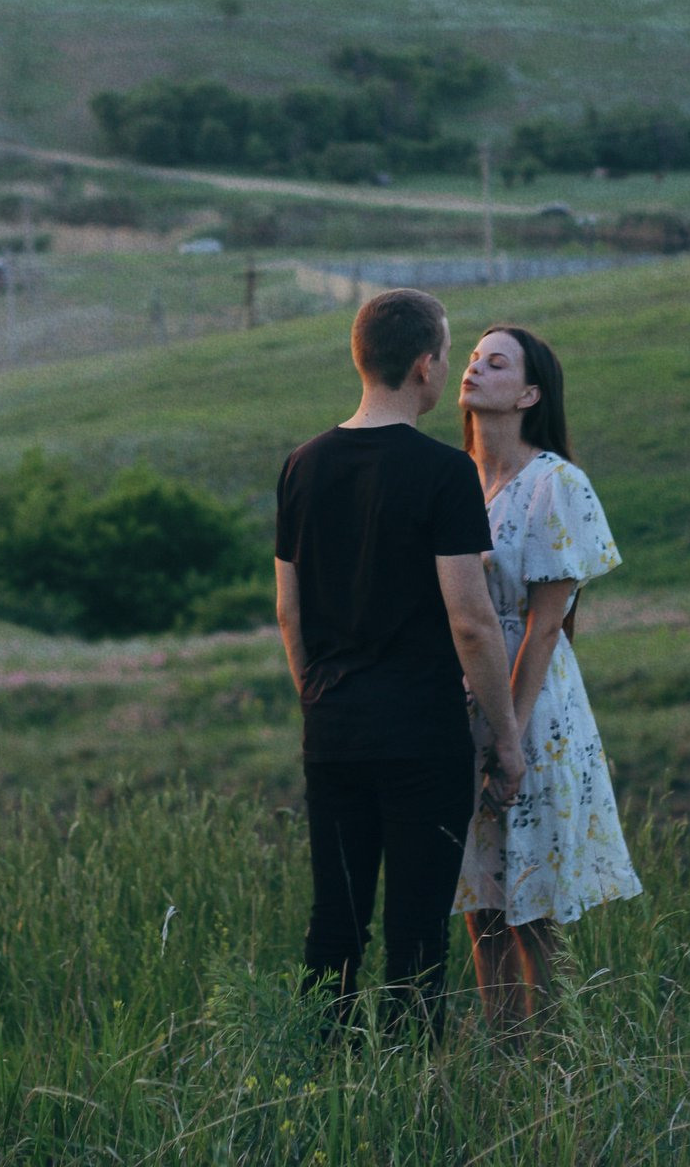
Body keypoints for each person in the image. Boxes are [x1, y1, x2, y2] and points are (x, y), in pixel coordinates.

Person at [275, 289, 524, 1039]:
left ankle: (320, 1081)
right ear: (424, 367)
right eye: (447, 355)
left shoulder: (303, 465)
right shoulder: (444, 473)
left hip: (334, 725)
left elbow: (289, 610)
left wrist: (318, 694)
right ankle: (405, 1100)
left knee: (336, 923)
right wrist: (506, 740)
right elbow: (472, 621)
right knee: (416, 934)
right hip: (421, 734)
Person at [454, 324, 641, 1031]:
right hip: (465, 687)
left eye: (495, 363)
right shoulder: (455, 478)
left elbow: (545, 624)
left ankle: (558, 1062)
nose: (475, 369)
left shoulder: (555, 482)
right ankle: (500, 1056)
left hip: (529, 699)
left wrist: (513, 735)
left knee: (534, 904)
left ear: (529, 393)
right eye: (471, 358)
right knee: (481, 904)